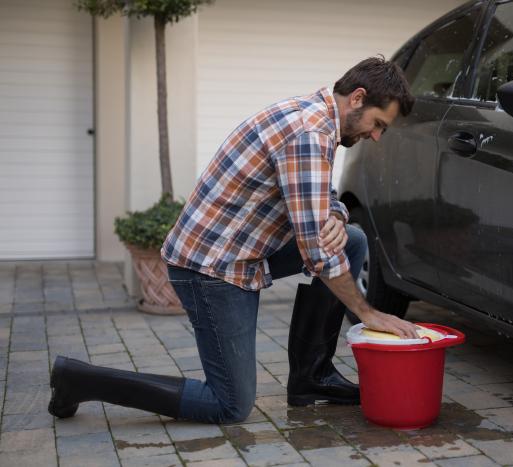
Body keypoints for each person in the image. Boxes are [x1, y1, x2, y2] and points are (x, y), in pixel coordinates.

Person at [48, 57, 419, 424]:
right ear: (357, 97)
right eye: (378, 124)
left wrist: (336, 216)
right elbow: (317, 250)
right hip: (211, 269)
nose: (375, 136)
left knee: (350, 239)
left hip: (242, 251)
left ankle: (311, 378)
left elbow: (318, 197)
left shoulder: (316, 118)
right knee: (229, 405)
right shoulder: (309, 133)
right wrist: (368, 313)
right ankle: (78, 379)